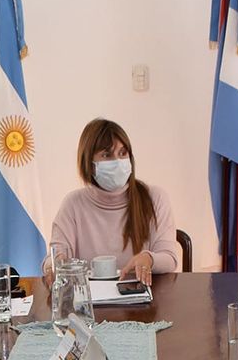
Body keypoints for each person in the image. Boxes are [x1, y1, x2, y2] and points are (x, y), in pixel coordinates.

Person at [49, 119, 181, 285]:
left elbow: (169, 258)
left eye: (122, 153)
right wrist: (53, 264)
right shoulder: (72, 204)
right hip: (91, 304)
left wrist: (149, 258)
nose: (117, 162)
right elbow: (55, 257)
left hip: (143, 303)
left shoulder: (155, 197)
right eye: (106, 155)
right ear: (89, 163)